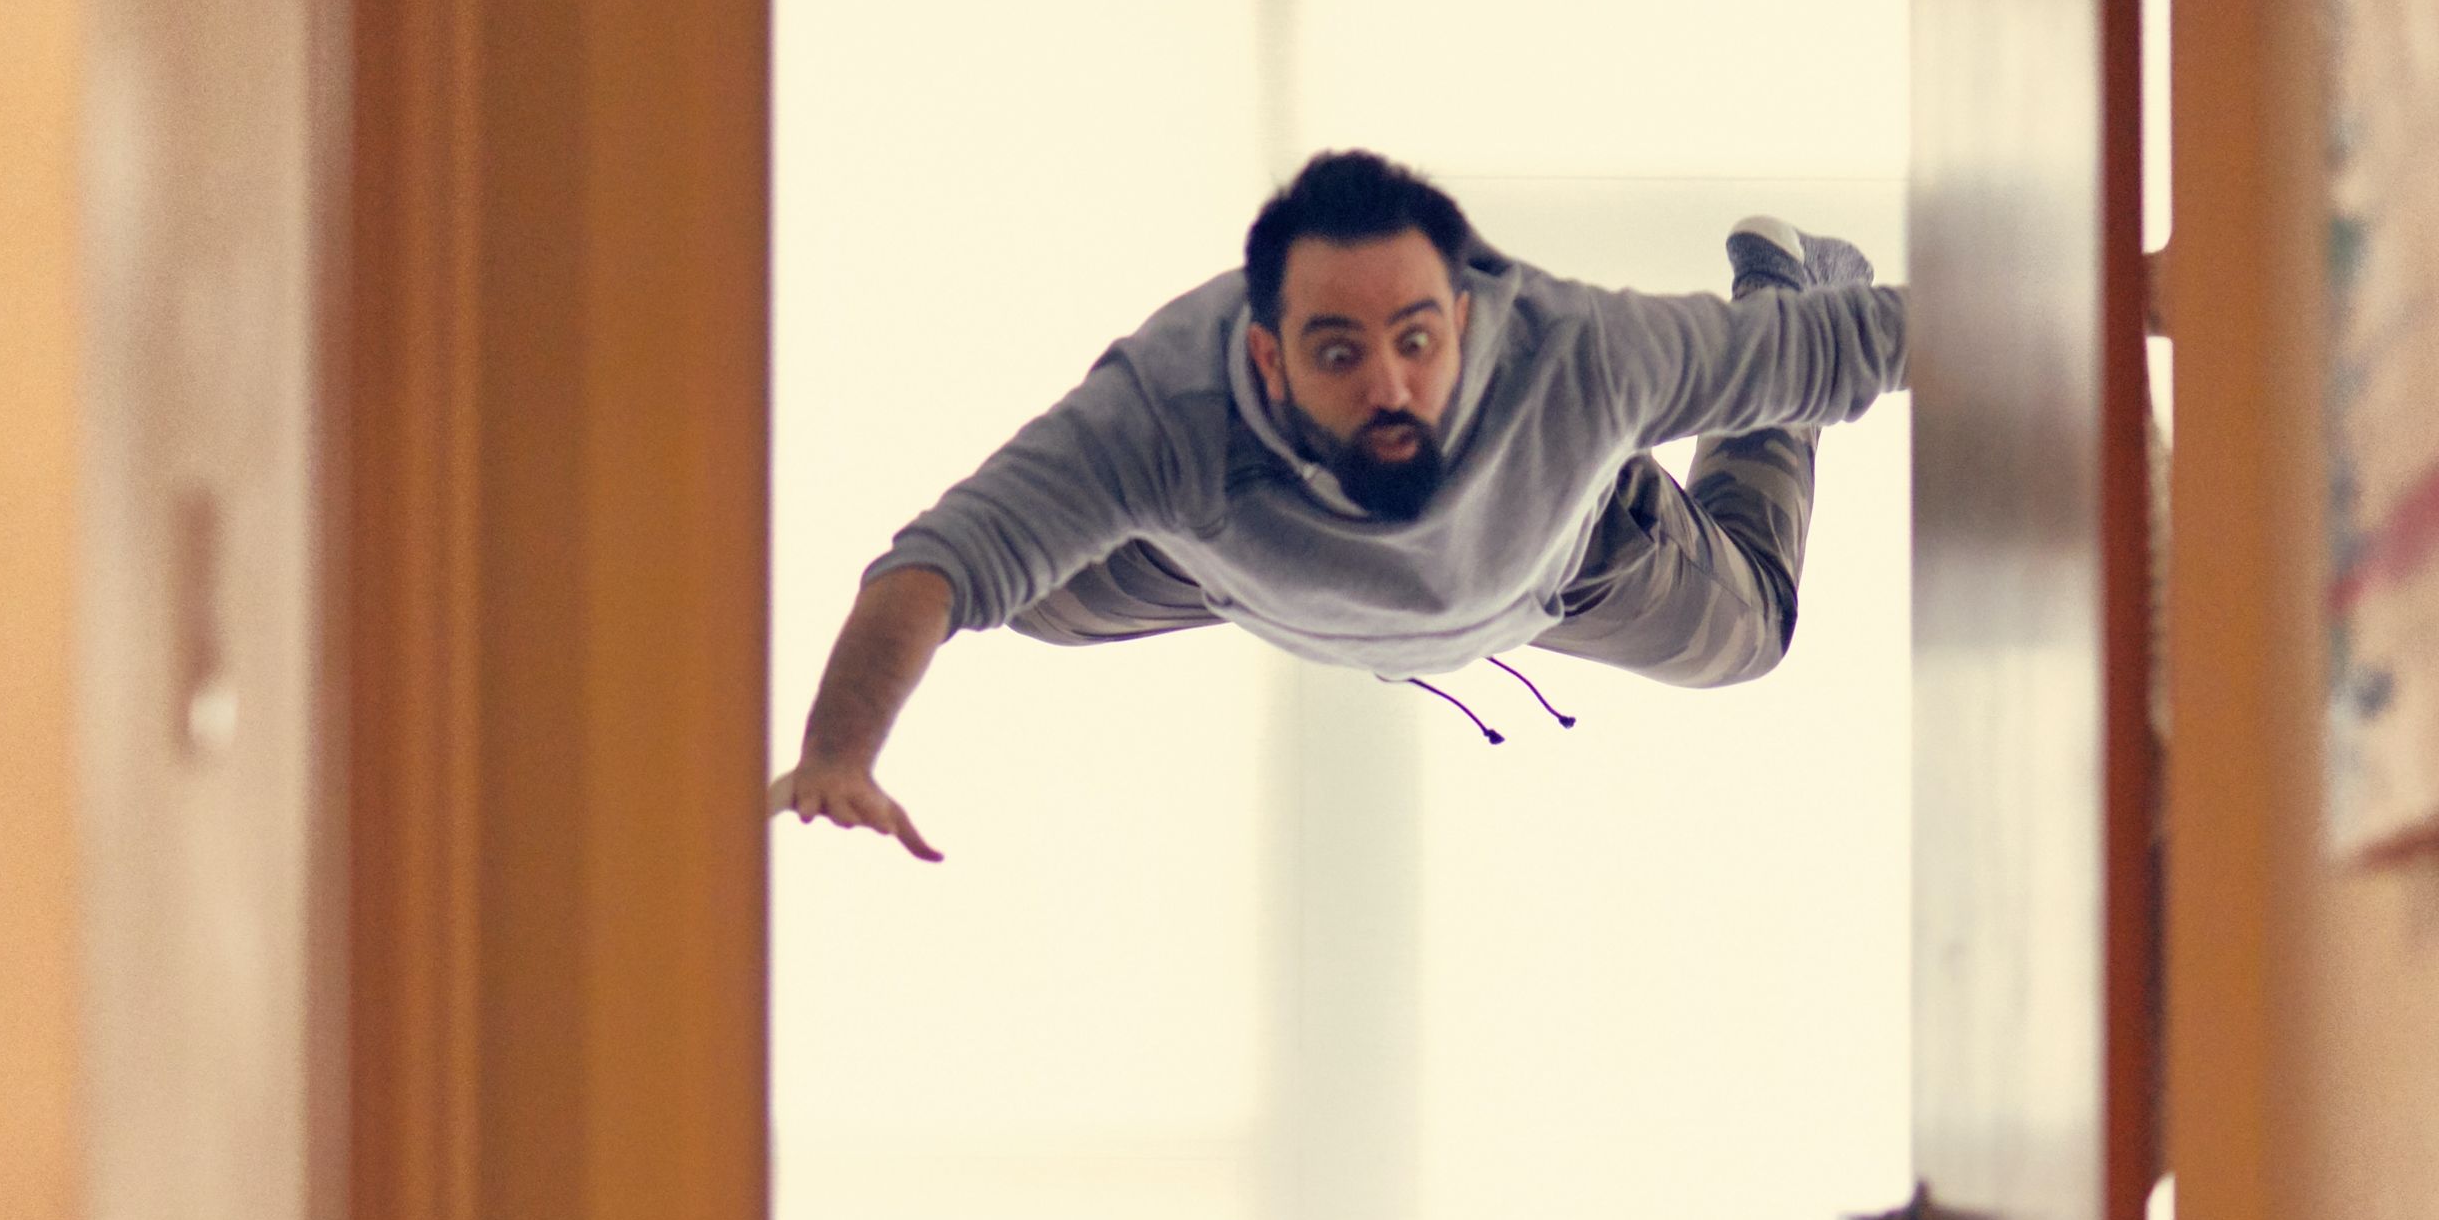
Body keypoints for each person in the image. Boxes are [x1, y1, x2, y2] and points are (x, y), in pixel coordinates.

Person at [771, 149, 1909, 861]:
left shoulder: (1583, 359)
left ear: (1462, 322)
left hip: (1554, 558)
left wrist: (2077, 304)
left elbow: (1849, 346)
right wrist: (838, 752)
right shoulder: (1167, 411)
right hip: (1229, 551)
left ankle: (1782, 264)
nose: (1388, 387)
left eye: (1416, 341)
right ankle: (1220, 558)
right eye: (1336, 350)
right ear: (1265, 358)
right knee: (1031, 600)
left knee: (1751, 633)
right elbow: (936, 563)